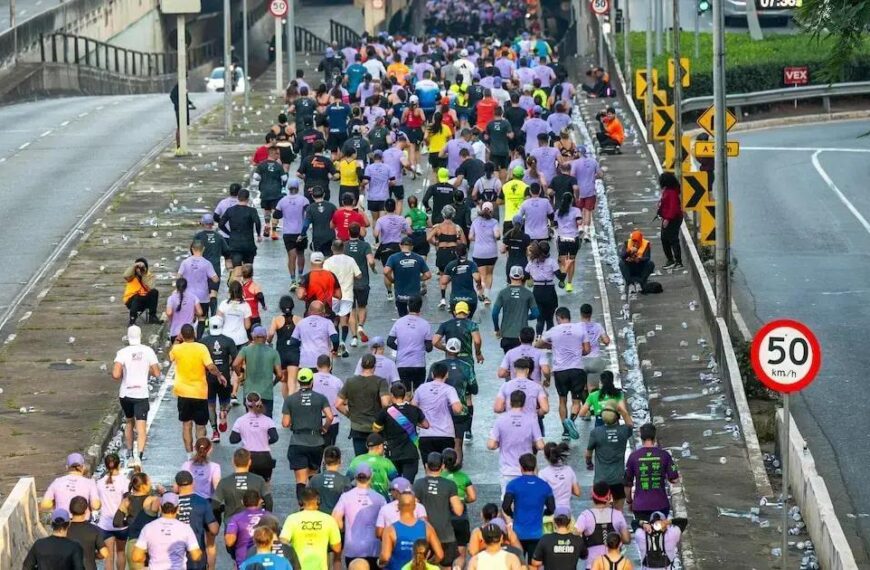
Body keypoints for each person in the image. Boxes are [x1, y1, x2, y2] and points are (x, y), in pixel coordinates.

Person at [538, 306, 591, 440]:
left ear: (558, 318)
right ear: (569, 317)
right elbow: (587, 349)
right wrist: (578, 352)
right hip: (577, 369)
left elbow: (538, 344)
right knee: (576, 400)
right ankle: (571, 421)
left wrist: (552, 346)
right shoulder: (580, 329)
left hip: (560, 371)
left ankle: (565, 431)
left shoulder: (553, 331)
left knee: (562, 400)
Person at [281, 367, 333, 501]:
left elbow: (285, 423)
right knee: (313, 477)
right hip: (316, 441)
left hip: (297, 441)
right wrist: (324, 428)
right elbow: (330, 416)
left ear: (298, 381)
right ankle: (315, 503)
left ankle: (302, 505)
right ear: (312, 382)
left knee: (300, 480)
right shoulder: (320, 398)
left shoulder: (290, 399)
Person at [112, 325, 160, 464]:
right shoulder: (148, 351)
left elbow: (116, 374)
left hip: (126, 393)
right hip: (141, 393)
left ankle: (129, 452)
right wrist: (146, 370)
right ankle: (139, 455)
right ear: (141, 336)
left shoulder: (122, 352)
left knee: (129, 421)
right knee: (141, 426)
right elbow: (157, 373)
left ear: (128, 337)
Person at [487, 391, 545, 496]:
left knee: (508, 504)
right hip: (527, 469)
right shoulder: (531, 419)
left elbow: (491, 445)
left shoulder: (500, 419)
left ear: (509, 402)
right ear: (524, 403)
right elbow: (540, 445)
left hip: (507, 469)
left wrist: (501, 443)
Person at [413, 452, 464, 569]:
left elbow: (413, 508)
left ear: (426, 466)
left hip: (424, 534)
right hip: (445, 534)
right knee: (447, 566)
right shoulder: (450, 485)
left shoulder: (418, 484)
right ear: (442, 466)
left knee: (424, 566)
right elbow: (458, 511)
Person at [333, 463, 387, 567]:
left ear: (355, 477)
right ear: (371, 477)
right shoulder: (380, 498)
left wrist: (344, 528)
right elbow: (386, 522)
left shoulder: (346, 497)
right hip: (373, 548)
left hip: (352, 547)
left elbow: (335, 519)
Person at [337, 354, 391, 455]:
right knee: (376, 460)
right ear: (374, 366)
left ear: (361, 366)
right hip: (376, 428)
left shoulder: (350, 382)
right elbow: (385, 403)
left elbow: (338, 404)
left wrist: (350, 415)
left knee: (360, 460)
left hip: (357, 427)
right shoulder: (380, 382)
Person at [625, 423, 680, 522]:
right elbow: (674, 478)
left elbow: (627, 484)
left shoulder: (633, 456)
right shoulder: (664, 455)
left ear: (641, 438)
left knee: (642, 533)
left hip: (640, 506)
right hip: (661, 505)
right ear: (655, 438)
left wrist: (629, 501)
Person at [131, 493, 203, 568]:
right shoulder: (185, 528)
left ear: (160, 508)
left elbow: (136, 557)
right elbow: (196, 556)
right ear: (178, 509)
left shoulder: (148, 527)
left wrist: (147, 558)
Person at [373, 382, 428, 480]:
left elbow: (375, 429)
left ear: (392, 395)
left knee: (395, 486)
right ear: (404, 395)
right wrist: (412, 422)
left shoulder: (386, 411)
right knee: (408, 485)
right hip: (411, 454)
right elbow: (426, 425)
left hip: (393, 454)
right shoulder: (414, 410)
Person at [280, 488, 342, 570]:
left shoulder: (292, 519)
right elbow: (337, 548)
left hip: (298, 567)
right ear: (318, 502)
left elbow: (283, 542)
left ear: (301, 502)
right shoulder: (329, 519)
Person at [378, 493, 444, 570]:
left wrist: (379, 562)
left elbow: (385, 557)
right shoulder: (427, 527)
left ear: (398, 506)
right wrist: (426, 565)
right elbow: (440, 555)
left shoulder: (390, 529)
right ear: (415, 506)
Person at [577, 482, 632, 569]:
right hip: (614, 565)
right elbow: (627, 539)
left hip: (592, 565)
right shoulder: (617, 514)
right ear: (609, 496)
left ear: (592, 495)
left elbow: (575, 536)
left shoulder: (585, 516)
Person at [112, 472, 159, 570]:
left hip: (133, 544)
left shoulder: (127, 500)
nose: (151, 483)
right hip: (150, 545)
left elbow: (116, 522)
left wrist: (130, 522)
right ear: (143, 486)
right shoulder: (153, 500)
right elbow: (168, 512)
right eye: (149, 481)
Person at [324, 239, 363, 356]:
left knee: (334, 320)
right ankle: (342, 342)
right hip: (347, 295)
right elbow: (359, 275)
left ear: (332, 248)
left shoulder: (328, 262)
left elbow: (325, 277)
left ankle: (335, 347)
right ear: (343, 248)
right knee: (344, 320)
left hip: (334, 296)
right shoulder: (350, 260)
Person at [232, 326, 282, 417]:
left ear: (253, 337)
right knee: (266, 422)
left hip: (250, 394)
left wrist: (240, 376)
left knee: (251, 420)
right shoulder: (273, 352)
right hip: (266, 393)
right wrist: (273, 383)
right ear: (266, 337)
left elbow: (235, 364)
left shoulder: (245, 350)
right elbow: (279, 374)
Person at [388, 295, 434, 393]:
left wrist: (400, 348)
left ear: (408, 306)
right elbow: (429, 348)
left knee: (405, 393)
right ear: (420, 307)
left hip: (402, 364)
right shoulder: (425, 324)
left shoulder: (399, 322)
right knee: (418, 393)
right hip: (419, 364)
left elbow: (389, 342)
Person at [174, 470, 219, 570]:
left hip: (175, 554)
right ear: (193, 483)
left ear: (177, 485)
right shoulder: (202, 502)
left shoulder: (170, 504)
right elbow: (214, 530)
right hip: (196, 553)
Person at [230, 392, 279, 482]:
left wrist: (245, 434)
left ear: (246, 403)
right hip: (265, 458)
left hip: (247, 458)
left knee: (248, 486)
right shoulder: (268, 420)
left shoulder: (240, 421)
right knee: (265, 486)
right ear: (260, 403)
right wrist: (264, 441)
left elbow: (233, 439)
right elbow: (275, 437)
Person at [214, 449, 273, 520]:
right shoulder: (259, 480)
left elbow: (215, 504)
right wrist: (266, 519)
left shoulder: (224, 482)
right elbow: (269, 501)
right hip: (253, 523)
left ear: (233, 462)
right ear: (250, 462)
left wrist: (222, 509)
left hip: (231, 523)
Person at [442, 448, 477, 564]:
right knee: (461, 555)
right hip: (461, 518)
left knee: (445, 555)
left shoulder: (440, 477)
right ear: (456, 460)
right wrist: (462, 500)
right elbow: (472, 497)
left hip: (444, 519)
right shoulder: (464, 477)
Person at [491, 267, 538, 353]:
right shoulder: (528, 293)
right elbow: (536, 313)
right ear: (522, 277)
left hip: (507, 335)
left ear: (509, 276)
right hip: (523, 336)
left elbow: (494, 313)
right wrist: (526, 317)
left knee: (509, 362)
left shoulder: (503, 293)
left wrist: (497, 329)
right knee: (522, 364)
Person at [218, 189, 262, 279]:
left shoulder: (230, 210)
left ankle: (236, 289)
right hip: (248, 244)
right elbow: (257, 222)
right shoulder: (252, 211)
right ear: (248, 199)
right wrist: (258, 235)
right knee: (248, 269)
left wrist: (229, 233)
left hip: (235, 243)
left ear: (238, 198)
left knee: (237, 269)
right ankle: (247, 290)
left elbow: (221, 224)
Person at [177, 242, 219, 337]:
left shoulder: (185, 262)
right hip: (203, 296)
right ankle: (199, 338)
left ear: (192, 249)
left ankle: (187, 337)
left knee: (188, 318)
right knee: (202, 318)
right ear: (203, 249)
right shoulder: (207, 263)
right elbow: (215, 279)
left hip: (188, 295)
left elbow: (178, 276)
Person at [274, 179, 310, 287]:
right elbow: (309, 213)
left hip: (288, 232)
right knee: (301, 254)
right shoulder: (304, 200)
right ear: (298, 188)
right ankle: (300, 276)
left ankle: (293, 280)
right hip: (300, 231)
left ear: (288, 188)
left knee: (291, 256)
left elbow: (276, 215)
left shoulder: (282, 201)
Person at [346, 222, 377, 346]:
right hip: (363, 281)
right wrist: (373, 269)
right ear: (359, 232)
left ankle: (353, 337)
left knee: (351, 310)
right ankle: (360, 326)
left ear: (349, 232)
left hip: (348, 283)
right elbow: (370, 260)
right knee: (362, 307)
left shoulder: (344, 246)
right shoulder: (365, 245)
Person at [96, 454, 129, 570]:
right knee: (121, 552)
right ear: (119, 464)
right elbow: (127, 501)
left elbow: (97, 504)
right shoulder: (125, 481)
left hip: (105, 524)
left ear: (105, 466)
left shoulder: (99, 483)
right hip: (121, 524)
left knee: (108, 556)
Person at [384, 236, 432, 316]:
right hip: (415, 295)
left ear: (400, 245)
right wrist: (418, 278)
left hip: (401, 295)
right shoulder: (418, 258)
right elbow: (428, 275)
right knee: (415, 316)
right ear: (412, 247)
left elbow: (386, 271)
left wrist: (392, 279)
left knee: (402, 317)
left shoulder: (393, 258)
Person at [192, 214, 229, 317]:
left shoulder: (198, 236)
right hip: (215, 268)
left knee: (201, 293)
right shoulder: (219, 237)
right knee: (213, 294)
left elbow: (192, 251)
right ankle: (213, 317)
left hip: (200, 268)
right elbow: (227, 252)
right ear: (212, 224)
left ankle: (203, 317)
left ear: (203, 223)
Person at [493, 357, 549, 423]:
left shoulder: (505, 386)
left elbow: (498, 408)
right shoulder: (537, 386)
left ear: (515, 370)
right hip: (531, 421)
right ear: (528, 370)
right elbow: (545, 409)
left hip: (511, 422)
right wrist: (536, 414)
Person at [526, 241, 563, 335]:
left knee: (540, 318)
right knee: (549, 318)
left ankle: (538, 337)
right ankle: (549, 339)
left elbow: (525, 273)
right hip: (549, 291)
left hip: (537, 291)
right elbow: (560, 277)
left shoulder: (532, 262)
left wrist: (532, 277)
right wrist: (566, 267)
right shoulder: (551, 262)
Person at [225, 490, 270, 568]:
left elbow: (229, 542)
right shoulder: (269, 516)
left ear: (242, 502)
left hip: (244, 561)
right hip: (265, 561)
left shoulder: (236, 518)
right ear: (260, 501)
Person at [289, 300, 339, 370]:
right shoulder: (328, 323)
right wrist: (335, 349)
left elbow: (293, 341)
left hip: (305, 362)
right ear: (323, 312)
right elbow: (335, 338)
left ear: (309, 311)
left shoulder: (301, 323)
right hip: (323, 362)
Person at [346, 433, 399, 498]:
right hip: (381, 500)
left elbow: (346, 481)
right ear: (380, 446)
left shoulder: (356, 460)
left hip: (361, 499)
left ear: (367, 446)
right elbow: (397, 482)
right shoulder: (386, 462)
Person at [252, 146, 288, 240]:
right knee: (275, 211)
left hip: (264, 191)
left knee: (267, 210)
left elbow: (256, 176)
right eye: (277, 153)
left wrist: (263, 178)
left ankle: (267, 225)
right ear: (272, 153)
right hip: (276, 192)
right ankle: (274, 232)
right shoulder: (278, 166)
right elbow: (284, 178)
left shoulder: (262, 164)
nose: (279, 155)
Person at [468, 202, 500, 303]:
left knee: (482, 275)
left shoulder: (475, 222)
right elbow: (497, 235)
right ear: (491, 211)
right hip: (491, 253)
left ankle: (479, 292)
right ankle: (486, 296)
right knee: (489, 274)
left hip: (478, 253)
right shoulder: (494, 222)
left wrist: (478, 239)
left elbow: (470, 237)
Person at [539, 442, 581, 518]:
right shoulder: (569, 470)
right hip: (566, 513)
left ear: (545, 456)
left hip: (549, 514)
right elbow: (577, 492)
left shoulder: (542, 474)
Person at [67, 495, 109, 570]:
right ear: (86, 510)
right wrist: (94, 555)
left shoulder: (64, 529)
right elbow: (104, 553)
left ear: (70, 510)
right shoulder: (94, 529)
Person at [308, 445, 351, 515]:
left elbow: (308, 500)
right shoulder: (345, 480)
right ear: (340, 461)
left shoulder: (314, 479)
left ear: (324, 461)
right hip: (336, 519)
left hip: (318, 519)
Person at [440, 244, 481, 316]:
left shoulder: (451, 265)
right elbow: (477, 278)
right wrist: (479, 284)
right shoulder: (471, 264)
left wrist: (452, 277)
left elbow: (444, 282)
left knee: (457, 321)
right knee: (468, 321)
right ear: (467, 251)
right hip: (470, 298)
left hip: (455, 299)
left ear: (456, 252)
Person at [553, 192, 583, 292]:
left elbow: (555, 225)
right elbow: (579, 222)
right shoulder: (576, 210)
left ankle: (562, 276)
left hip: (562, 239)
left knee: (562, 260)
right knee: (572, 261)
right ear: (572, 200)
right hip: (573, 238)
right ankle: (569, 284)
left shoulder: (558, 211)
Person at [571, 146, 603, 238]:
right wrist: (592, 177)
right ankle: (587, 232)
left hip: (579, 191)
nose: (574, 154)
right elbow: (600, 174)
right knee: (588, 211)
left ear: (579, 153)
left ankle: (580, 227)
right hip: (590, 190)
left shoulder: (575, 163)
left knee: (579, 210)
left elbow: (572, 175)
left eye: (575, 152)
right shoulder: (593, 161)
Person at [312, 355, 343, 446]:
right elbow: (344, 401)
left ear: (317, 366)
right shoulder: (338, 381)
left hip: (314, 420)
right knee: (329, 453)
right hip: (333, 420)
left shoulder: (311, 378)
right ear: (330, 367)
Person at [579, 303, 611, 390]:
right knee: (593, 390)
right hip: (595, 360)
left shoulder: (576, 327)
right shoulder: (598, 326)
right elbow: (607, 341)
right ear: (591, 314)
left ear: (581, 314)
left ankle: (584, 402)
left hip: (581, 361)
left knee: (581, 388)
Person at [657, 171, 684, 270]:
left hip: (673, 219)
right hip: (669, 218)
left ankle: (677, 261)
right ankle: (671, 260)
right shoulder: (669, 191)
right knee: (665, 239)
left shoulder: (671, 193)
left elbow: (673, 208)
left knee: (672, 239)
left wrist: (667, 219)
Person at [301, 186, 338, 257]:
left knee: (318, 259)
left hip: (317, 238)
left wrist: (302, 234)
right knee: (329, 258)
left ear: (312, 196)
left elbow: (306, 224)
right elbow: (337, 220)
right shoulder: (331, 206)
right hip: (330, 237)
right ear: (324, 194)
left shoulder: (310, 208)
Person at [123, 257, 162, 326]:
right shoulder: (131, 275)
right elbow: (125, 275)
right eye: (138, 267)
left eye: (142, 267)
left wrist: (143, 275)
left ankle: (152, 317)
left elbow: (150, 287)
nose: (139, 269)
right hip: (131, 301)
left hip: (143, 300)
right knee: (137, 296)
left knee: (154, 292)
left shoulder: (149, 276)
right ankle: (132, 320)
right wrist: (134, 266)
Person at [166, 277, 202, 342]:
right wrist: (193, 312)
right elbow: (200, 312)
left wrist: (171, 320)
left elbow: (169, 313)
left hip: (175, 332)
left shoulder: (171, 298)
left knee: (176, 351)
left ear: (176, 286)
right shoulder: (193, 297)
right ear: (186, 286)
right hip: (189, 333)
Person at [498, 167, 528, 233]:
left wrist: (508, 199)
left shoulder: (505, 186)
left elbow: (498, 201)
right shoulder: (526, 186)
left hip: (508, 219)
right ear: (523, 175)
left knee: (507, 242)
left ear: (513, 175)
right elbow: (527, 201)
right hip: (521, 219)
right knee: (521, 242)